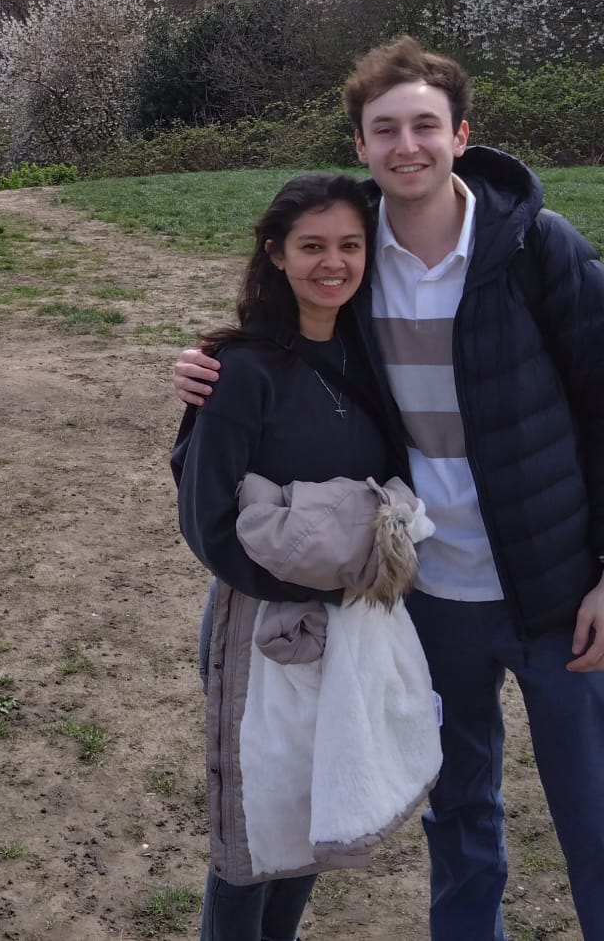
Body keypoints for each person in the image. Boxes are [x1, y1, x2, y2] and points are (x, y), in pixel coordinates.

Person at [173, 37, 604, 941]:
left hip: (558, 591)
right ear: (361, 144)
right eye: (385, 129)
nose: (407, 146)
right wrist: (206, 370)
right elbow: (289, 348)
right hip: (427, 594)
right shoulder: (354, 259)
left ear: (461, 134)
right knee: (462, 821)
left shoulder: (537, 250)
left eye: (425, 126)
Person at [172, 172, 439, 941]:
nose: (334, 262)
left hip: (352, 625)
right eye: (312, 245)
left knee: (311, 814)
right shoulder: (242, 369)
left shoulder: (369, 354)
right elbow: (206, 521)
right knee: (251, 837)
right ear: (275, 254)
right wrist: (308, 580)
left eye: (350, 245)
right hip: (262, 627)